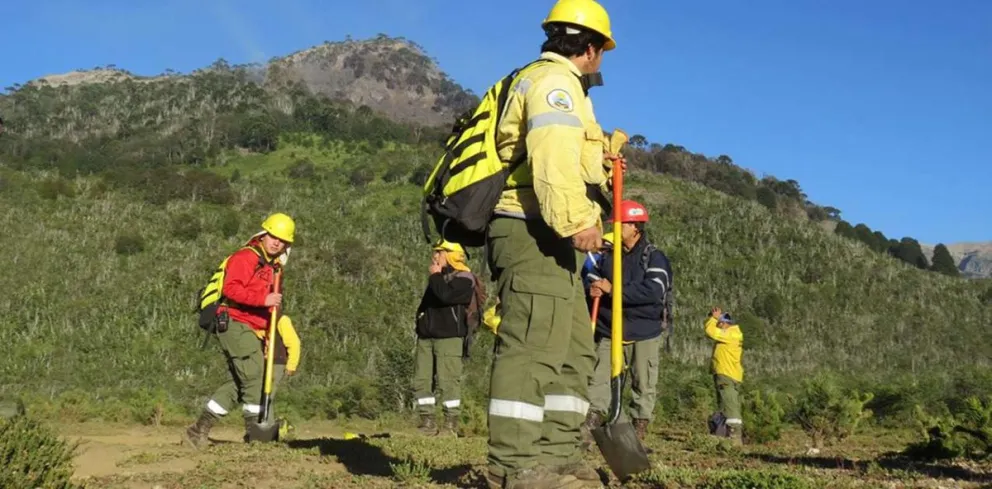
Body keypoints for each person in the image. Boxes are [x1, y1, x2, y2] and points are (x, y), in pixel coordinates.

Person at [483, 0, 620, 486]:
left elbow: (571, 160)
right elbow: (552, 161)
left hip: (550, 235)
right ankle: (513, 468)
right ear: (590, 48)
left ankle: (557, 456)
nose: (601, 58)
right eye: (602, 49)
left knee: (574, 349)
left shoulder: (555, 85)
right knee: (532, 347)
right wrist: (579, 221)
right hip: (530, 228)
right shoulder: (555, 85)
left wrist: (603, 165)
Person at [182, 212, 296, 449]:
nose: (277, 242)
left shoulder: (274, 267)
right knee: (254, 376)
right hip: (233, 321)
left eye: (282, 240)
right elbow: (231, 289)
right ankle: (256, 436)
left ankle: (198, 430)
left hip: (254, 328)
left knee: (239, 383)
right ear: (264, 234)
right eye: (273, 236)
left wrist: (267, 334)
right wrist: (264, 299)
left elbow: (270, 308)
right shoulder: (245, 257)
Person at [585, 200, 672, 444]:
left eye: (621, 224)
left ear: (635, 226)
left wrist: (614, 290)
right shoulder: (608, 256)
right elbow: (592, 274)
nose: (616, 228)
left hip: (643, 331)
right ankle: (591, 425)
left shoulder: (654, 258)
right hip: (608, 328)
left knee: (643, 383)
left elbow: (653, 291)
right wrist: (592, 286)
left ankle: (638, 429)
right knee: (598, 379)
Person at [412, 240, 477, 437]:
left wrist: (436, 275)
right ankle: (427, 422)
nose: (435, 256)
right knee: (421, 379)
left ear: (450, 254)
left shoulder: (465, 278)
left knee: (448, 381)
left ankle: (451, 424)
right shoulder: (438, 277)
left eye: (439, 252)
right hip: (427, 337)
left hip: (449, 338)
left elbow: (445, 296)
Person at [705, 307, 744, 445]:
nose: (718, 326)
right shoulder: (732, 335)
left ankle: (734, 437)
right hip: (727, 373)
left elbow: (711, 332)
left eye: (719, 323)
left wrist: (713, 318)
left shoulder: (731, 334)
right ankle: (722, 433)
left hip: (727, 373)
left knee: (730, 404)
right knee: (724, 404)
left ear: (724, 323)